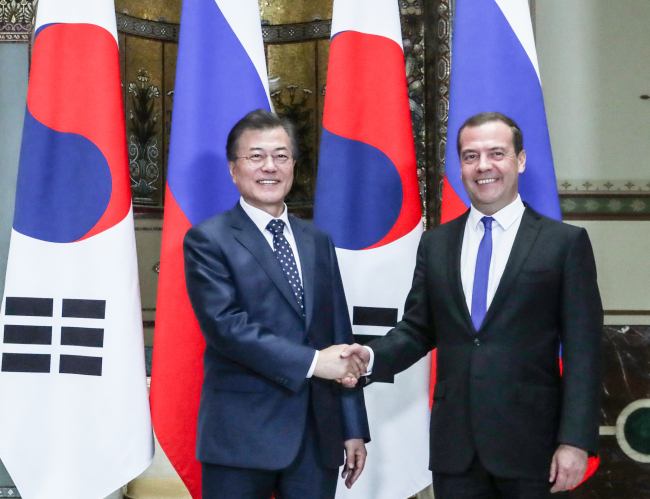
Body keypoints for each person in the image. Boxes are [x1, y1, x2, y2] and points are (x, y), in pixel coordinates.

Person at [342, 112, 603, 498]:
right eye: (470, 156)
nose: (484, 166)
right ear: (461, 166)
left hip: (533, 447)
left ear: (521, 160)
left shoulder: (564, 244)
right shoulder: (437, 243)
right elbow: (418, 328)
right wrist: (369, 356)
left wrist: (576, 441)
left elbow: (584, 351)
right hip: (456, 448)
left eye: (497, 153)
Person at [183, 109, 370, 499]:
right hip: (240, 439)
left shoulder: (317, 239)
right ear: (234, 169)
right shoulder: (208, 240)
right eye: (256, 156)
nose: (270, 166)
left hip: (316, 437)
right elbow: (226, 328)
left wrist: (352, 426)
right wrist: (315, 363)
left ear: (294, 167)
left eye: (281, 156)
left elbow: (339, 333)